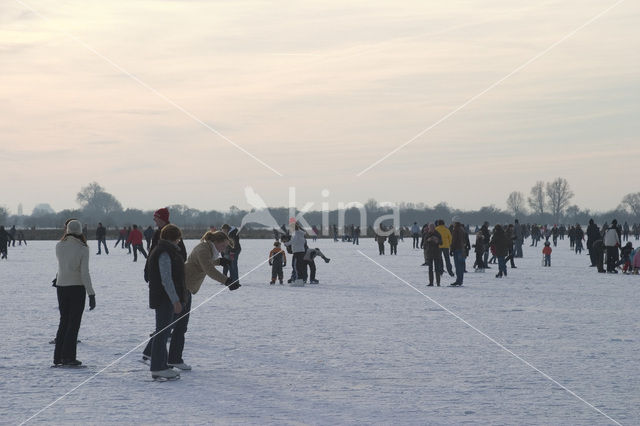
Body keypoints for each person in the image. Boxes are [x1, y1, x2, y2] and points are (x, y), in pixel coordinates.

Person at [53, 220, 96, 366]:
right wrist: (91, 294)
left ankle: (58, 356)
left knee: (63, 321)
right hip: (76, 287)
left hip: (61, 286)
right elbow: (84, 273)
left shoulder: (59, 246)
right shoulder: (83, 248)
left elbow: (62, 266)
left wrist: (57, 279)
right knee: (73, 323)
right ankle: (68, 356)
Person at [145, 224, 185, 380]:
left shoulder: (167, 250)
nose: (179, 241)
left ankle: (161, 364)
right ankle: (157, 367)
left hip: (165, 297)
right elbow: (166, 279)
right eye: (178, 238)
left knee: (163, 332)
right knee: (162, 332)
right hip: (164, 299)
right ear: (175, 238)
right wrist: (175, 300)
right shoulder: (164, 253)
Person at [449, 218, 467, 286]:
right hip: (462, 249)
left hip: (457, 249)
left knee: (458, 266)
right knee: (461, 266)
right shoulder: (462, 229)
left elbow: (454, 241)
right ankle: (460, 280)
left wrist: (451, 250)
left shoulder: (455, 230)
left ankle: (458, 280)